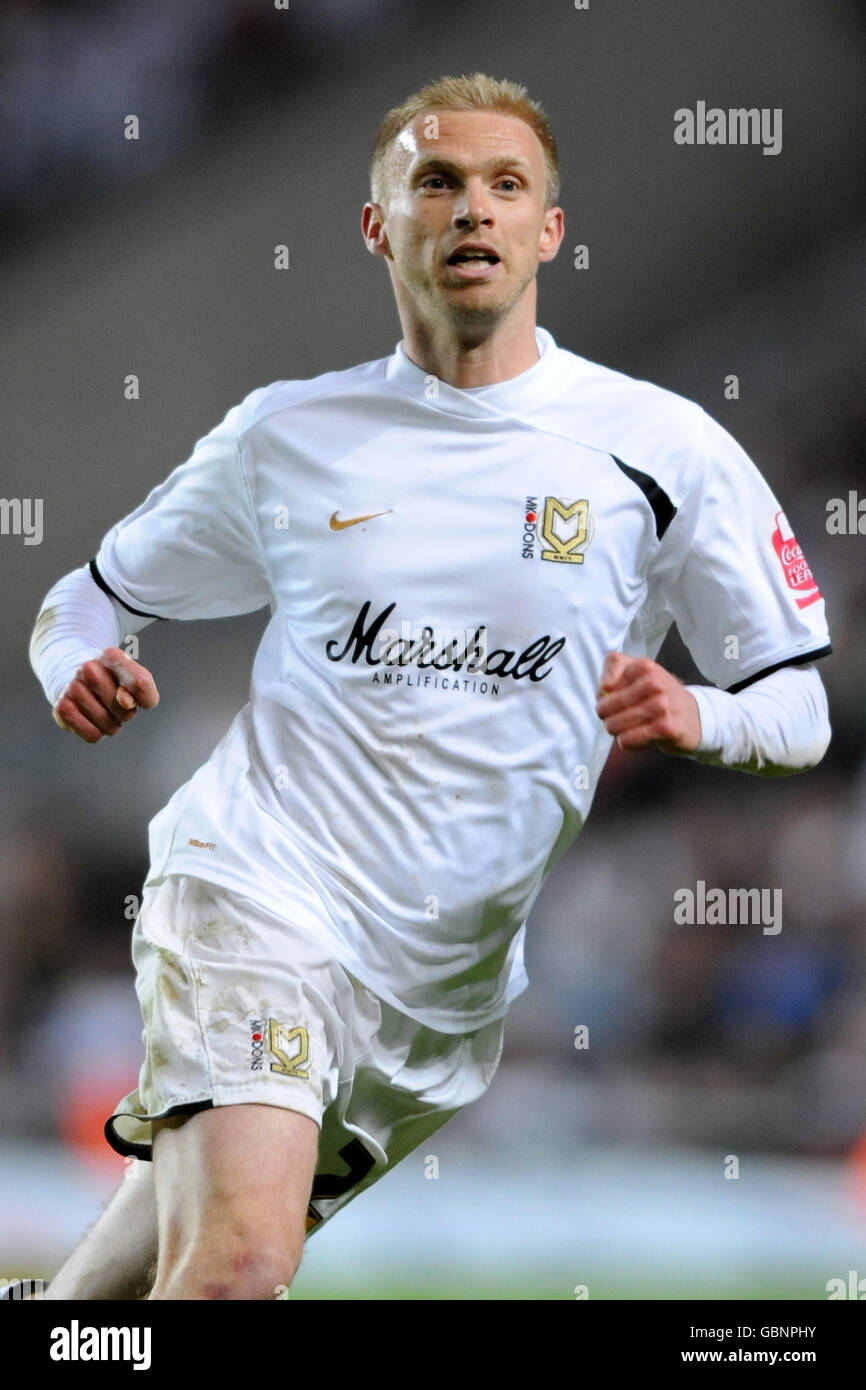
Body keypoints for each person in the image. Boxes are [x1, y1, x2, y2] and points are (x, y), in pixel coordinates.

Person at [27, 72, 832, 1301]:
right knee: (238, 1265)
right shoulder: (288, 435)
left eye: (506, 187)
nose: (472, 212)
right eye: (436, 183)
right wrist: (73, 664)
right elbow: (87, 596)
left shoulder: (662, 450)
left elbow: (798, 705)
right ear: (376, 224)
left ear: (548, 229)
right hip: (258, 886)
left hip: (440, 995)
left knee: (135, 1286)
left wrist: (699, 713)